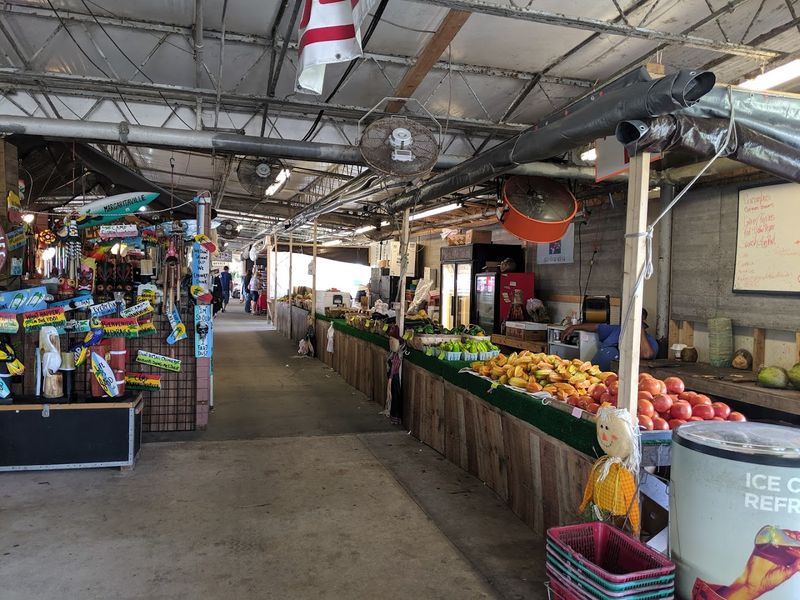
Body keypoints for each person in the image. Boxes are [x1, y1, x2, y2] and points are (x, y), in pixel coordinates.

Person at [561, 309, 658, 372]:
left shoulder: (650, 342)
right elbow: (595, 327)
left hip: (613, 384)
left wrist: (638, 327)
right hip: (591, 375)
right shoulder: (617, 329)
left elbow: (646, 354)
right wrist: (574, 327)